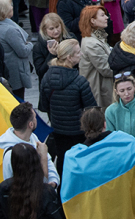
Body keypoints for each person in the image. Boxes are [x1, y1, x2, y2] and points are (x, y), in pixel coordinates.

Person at [38, 40, 96, 172]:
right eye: (78, 52)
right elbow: (92, 109)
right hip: (79, 131)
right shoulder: (80, 81)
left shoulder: (46, 78)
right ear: (69, 57)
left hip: (58, 130)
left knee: (62, 160)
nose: (81, 54)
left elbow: (43, 106)